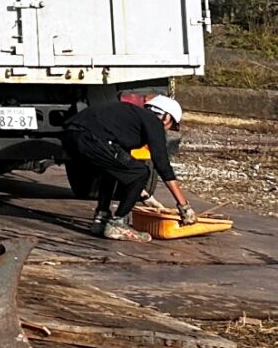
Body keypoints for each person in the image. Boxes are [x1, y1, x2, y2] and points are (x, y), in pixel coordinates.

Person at [63, 93, 193, 240]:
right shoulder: (153, 121)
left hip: (70, 136)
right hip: (91, 139)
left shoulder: (130, 116)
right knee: (141, 172)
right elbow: (162, 164)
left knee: (113, 169)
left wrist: (143, 194)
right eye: (172, 126)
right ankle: (118, 223)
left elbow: (122, 162)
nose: (168, 130)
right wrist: (183, 206)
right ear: (166, 117)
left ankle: (101, 217)